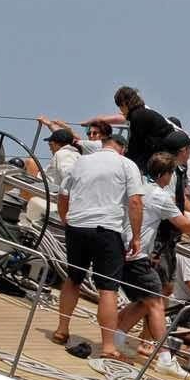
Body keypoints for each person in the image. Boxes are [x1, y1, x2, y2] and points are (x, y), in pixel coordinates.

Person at [112, 152, 190, 374]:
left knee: (144, 301)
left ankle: (116, 338)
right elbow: (184, 225)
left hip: (122, 250)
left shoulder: (137, 187)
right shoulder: (160, 196)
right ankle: (165, 358)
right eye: (171, 174)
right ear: (165, 174)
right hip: (136, 256)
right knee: (157, 302)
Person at [48, 131, 144, 359]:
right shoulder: (127, 165)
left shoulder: (81, 162)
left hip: (77, 226)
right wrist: (137, 236)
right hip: (107, 229)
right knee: (108, 288)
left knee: (73, 278)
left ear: (103, 145)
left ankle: (62, 330)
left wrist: (65, 218)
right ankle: (109, 346)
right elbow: (135, 201)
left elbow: (63, 194)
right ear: (122, 148)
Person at [84, 86, 178, 172]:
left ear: (125, 103)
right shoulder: (141, 113)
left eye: (120, 106)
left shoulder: (137, 116)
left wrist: (123, 161)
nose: (120, 109)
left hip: (166, 157)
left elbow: (136, 145)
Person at [21, 128, 82, 227]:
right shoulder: (77, 155)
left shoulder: (63, 154)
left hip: (47, 192)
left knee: (30, 162)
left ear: (57, 144)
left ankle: (20, 204)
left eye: (51, 145)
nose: (50, 149)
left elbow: (68, 175)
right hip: (49, 189)